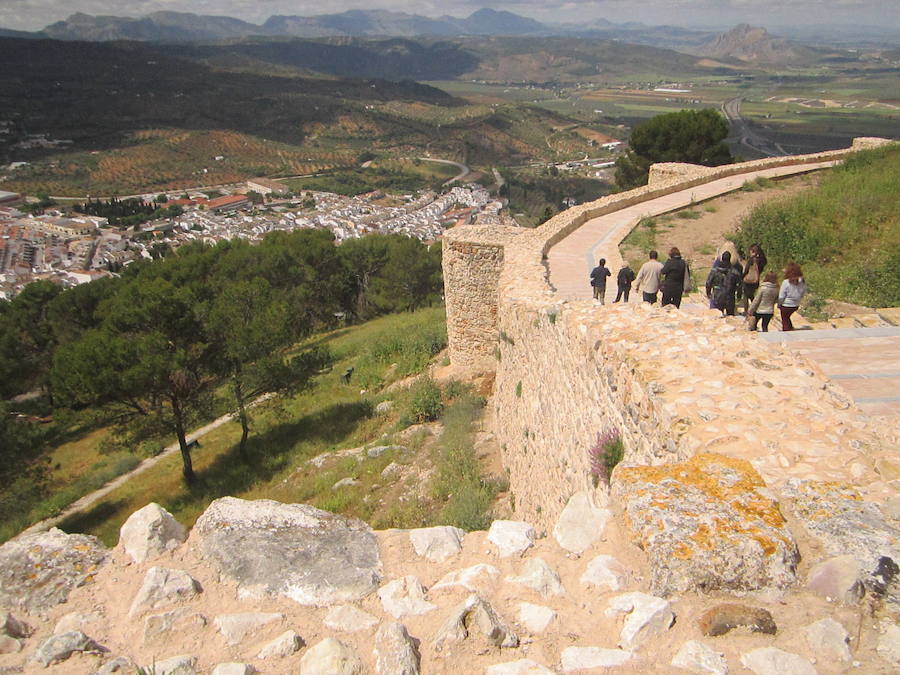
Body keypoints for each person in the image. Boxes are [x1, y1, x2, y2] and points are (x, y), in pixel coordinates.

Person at [778, 262, 807, 331]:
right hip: (795, 305)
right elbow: (803, 293)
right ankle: (791, 328)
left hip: (786, 305)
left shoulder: (786, 282)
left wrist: (779, 304)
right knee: (787, 317)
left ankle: (787, 333)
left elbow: (781, 296)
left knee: (785, 319)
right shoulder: (802, 282)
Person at [741, 243, 767, 315]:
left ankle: (746, 311)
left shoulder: (752, 260)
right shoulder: (762, 260)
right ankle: (754, 309)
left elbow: (746, 270)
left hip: (748, 281)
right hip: (756, 280)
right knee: (752, 295)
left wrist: (742, 277)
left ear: (753, 251)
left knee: (746, 296)